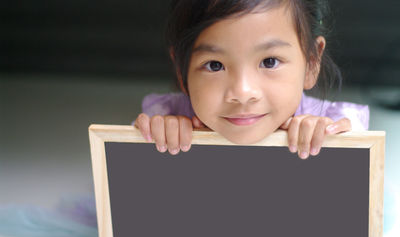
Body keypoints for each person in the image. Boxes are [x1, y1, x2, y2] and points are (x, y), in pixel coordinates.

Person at [134, 0, 369, 159]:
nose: (243, 92)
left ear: (311, 62)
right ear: (180, 70)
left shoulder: (330, 121)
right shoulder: (169, 115)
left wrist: (331, 139)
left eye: (269, 62)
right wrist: (156, 137)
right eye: (215, 65)